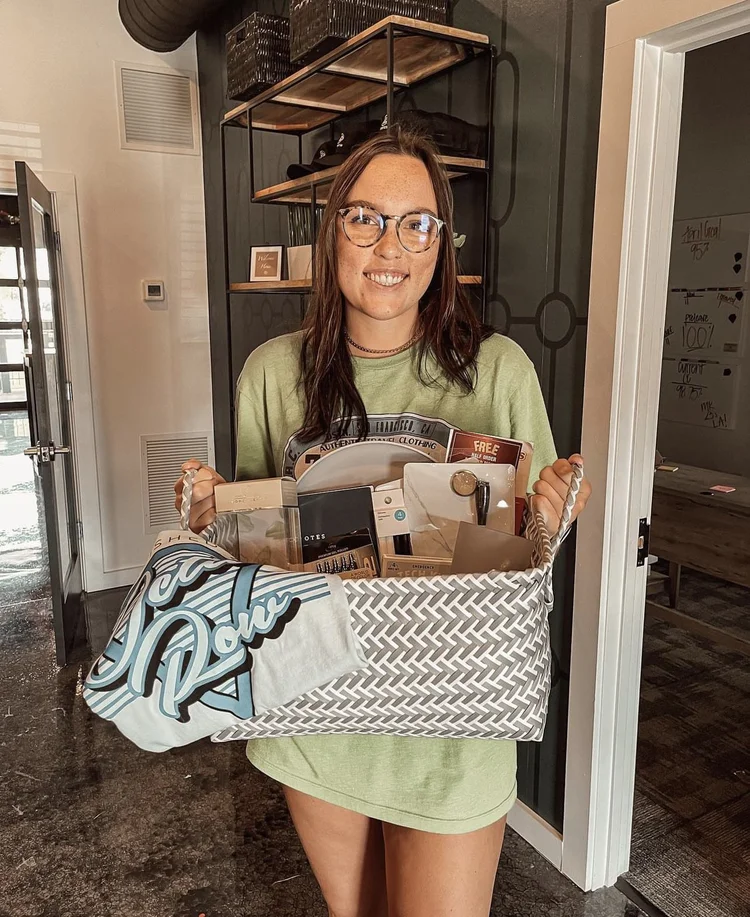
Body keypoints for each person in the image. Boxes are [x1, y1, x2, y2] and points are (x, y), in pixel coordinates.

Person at [174, 128, 591, 917]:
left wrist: (550, 513)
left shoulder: (499, 370)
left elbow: (530, 557)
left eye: (417, 223)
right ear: (333, 230)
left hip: (456, 728)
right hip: (315, 714)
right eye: (365, 218)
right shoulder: (271, 373)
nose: (390, 245)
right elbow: (256, 558)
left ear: (441, 245)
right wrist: (213, 513)